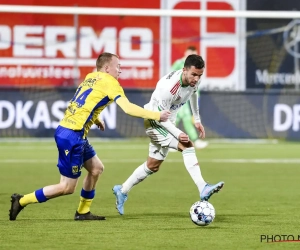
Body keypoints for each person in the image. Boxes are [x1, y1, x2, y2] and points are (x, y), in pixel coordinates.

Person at [9, 52, 170, 221]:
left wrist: (96, 119)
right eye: (118, 66)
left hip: (72, 131)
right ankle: (21, 200)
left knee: (96, 169)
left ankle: (83, 212)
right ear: (107, 68)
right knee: (67, 187)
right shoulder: (112, 83)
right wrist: (157, 115)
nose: (120, 70)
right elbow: (128, 108)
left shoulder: (91, 77)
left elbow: (82, 102)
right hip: (72, 136)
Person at [112, 54, 224, 215]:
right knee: (187, 145)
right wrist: (178, 134)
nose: (196, 79)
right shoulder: (168, 88)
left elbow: (193, 93)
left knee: (153, 165)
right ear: (184, 70)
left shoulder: (193, 81)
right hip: (154, 121)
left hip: (167, 122)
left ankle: (122, 190)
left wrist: (197, 119)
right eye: (194, 74)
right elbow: (159, 117)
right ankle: (203, 187)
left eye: (200, 75)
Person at [171, 46, 208, 149]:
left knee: (176, 118)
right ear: (186, 52)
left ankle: (166, 140)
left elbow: (195, 88)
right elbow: (170, 77)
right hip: (176, 96)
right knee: (186, 116)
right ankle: (195, 140)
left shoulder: (196, 68)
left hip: (187, 97)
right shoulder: (178, 63)